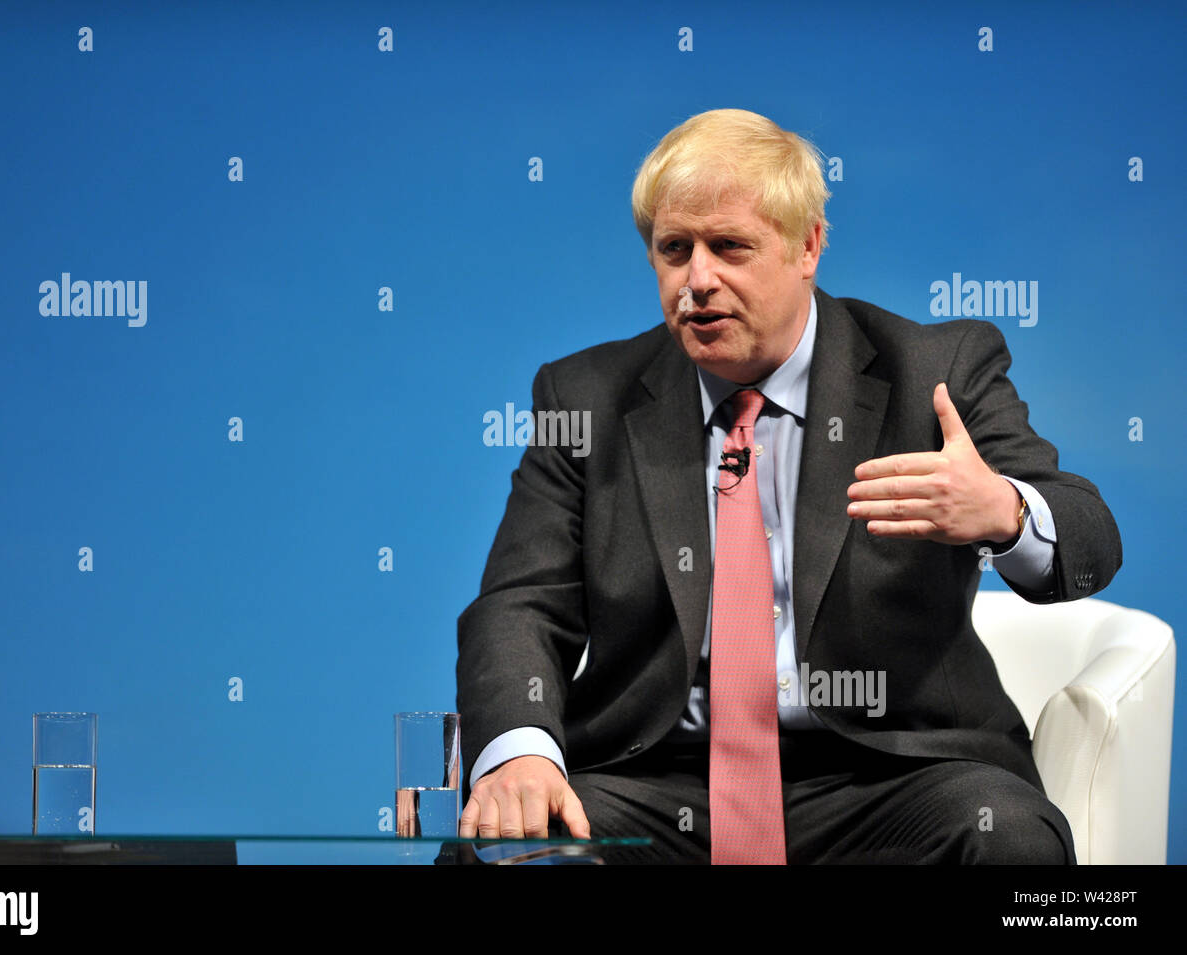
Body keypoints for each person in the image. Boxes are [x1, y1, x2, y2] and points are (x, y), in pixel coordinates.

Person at [454, 108, 1121, 863]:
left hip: (890, 776)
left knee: (1005, 839)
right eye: (675, 249)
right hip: (659, 782)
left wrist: (1004, 510)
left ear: (808, 245)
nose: (698, 280)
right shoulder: (583, 397)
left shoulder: (934, 368)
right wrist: (519, 749)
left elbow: (1090, 535)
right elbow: (520, 601)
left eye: (729, 246)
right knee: (510, 850)